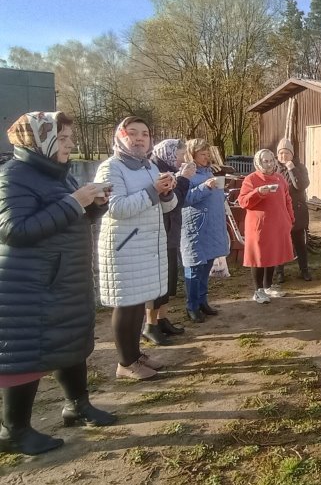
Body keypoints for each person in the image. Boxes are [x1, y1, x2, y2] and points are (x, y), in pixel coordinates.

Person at [0, 112, 115, 455]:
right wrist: (73, 202)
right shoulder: (13, 176)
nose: (70, 144)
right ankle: (14, 431)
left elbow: (66, 220)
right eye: (63, 138)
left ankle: (76, 406)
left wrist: (93, 208)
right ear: (39, 140)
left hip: (63, 279)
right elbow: (14, 230)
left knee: (70, 341)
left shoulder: (56, 175)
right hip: (29, 287)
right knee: (25, 355)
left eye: (69, 138)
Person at [96, 116, 177, 380]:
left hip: (146, 246)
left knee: (137, 303)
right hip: (125, 246)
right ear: (121, 136)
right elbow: (117, 208)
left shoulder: (149, 167)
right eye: (133, 133)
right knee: (126, 305)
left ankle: (135, 355)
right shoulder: (112, 168)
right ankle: (125, 362)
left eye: (145, 133)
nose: (140, 138)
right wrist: (154, 191)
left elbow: (165, 207)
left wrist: (166, 194)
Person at [148, 139, 196, 341]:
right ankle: (150, 326)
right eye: (179, 155)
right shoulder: (155, 171)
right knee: (156, 282)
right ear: (168, 154)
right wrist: (183, 178)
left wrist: (182, 178)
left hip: (171, 232)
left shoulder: (168, 169)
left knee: (167, 280)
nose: (181, 159)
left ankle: (163, 319)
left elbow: (180, 201)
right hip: (158, 234)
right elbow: (171, 202)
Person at [181, 138, 230, 323]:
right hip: (196, 228)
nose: (206, 156)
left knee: (207, 265)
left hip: (212, 226)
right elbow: (184, 199)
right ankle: (191, 306)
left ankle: (203, 301)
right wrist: (205, 186)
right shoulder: (186, 174)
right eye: (202, 154)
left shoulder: (210, 171)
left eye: (207, 153)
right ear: (191, 155)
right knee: (194, 268)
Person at [238, 149, 295, 303]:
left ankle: (268, 286)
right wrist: (257, 192)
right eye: (265, 161)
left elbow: (287, 199)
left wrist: (290, 218)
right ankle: (258, 291)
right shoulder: (251, 179)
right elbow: (243, 202)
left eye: (271, 161)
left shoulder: (279, 178)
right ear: (258, 162)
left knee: (273, 254)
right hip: (259, 226)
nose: (269, 164)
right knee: (259, 257)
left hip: (278, 224)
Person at [274, 138, 312, 283]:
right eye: (281, 153)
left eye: (286, 153)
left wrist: (292, 169)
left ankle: (304, 270)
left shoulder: (300, 168)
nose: (283, 156)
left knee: (299, 243)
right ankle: (279, 272)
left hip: (297, 211)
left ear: (292, 154)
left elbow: (300, 186)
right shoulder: (275, 169)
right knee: (281, 243)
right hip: (280, 212)